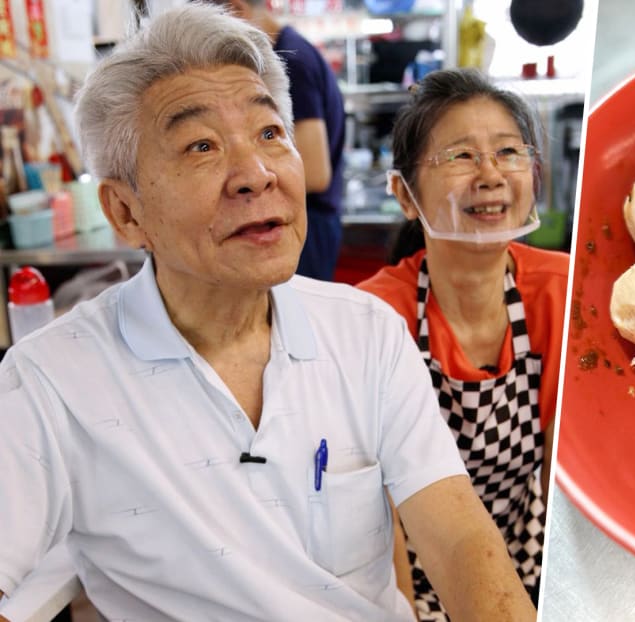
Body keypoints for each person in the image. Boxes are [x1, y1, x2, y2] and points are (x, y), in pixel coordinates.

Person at [0, 5, 537, 621]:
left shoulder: (366, 332)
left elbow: (459, 537)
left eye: (269, 134)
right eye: (200, 145)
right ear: (125, 212)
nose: (256, 174)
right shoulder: (49, 380)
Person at [357, 67, 570, 620]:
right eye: (460, 156)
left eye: (507, 152)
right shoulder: (373, 317)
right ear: (405, 195)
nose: (491, 175)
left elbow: (560, 472)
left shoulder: (563, 291)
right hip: (404, 571)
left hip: (525, 554)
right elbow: (374, 513)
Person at [210, 0, 346, 281]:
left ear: (235, 10)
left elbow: (316, 172)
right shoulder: (292, 51)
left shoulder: (292, 61)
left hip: (309, 222)